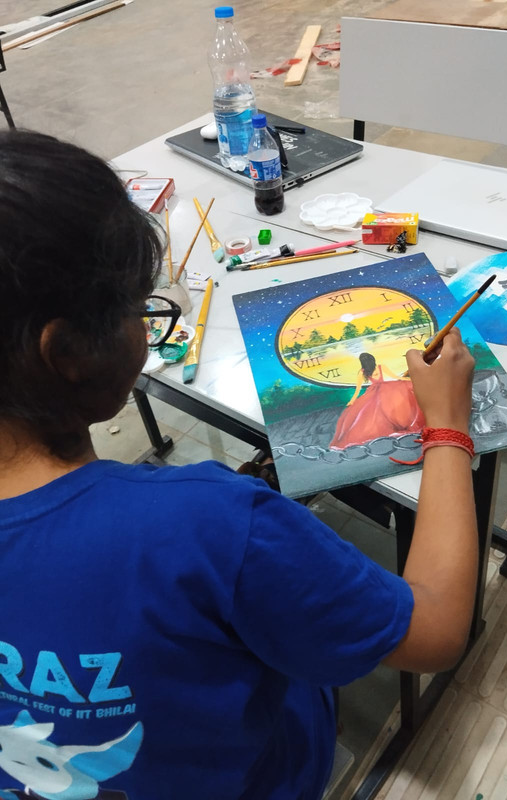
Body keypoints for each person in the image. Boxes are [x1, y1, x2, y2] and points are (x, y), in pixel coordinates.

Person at [0, 130, 477, 800]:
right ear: (70, 353)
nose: (148, 322)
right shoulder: (209, 525)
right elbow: (436, 631)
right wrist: (449, 425)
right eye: (142, 306)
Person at [330, 352, 424, 450]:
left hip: (380, 391)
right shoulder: (375, 368)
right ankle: (399, 424)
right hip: (383, 390)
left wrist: (352, 400)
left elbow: (358, 389)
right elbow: (396, 377)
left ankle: (397, 425)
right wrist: (407, 379)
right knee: (386, 408)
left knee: (381, 410)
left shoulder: (365, 371)